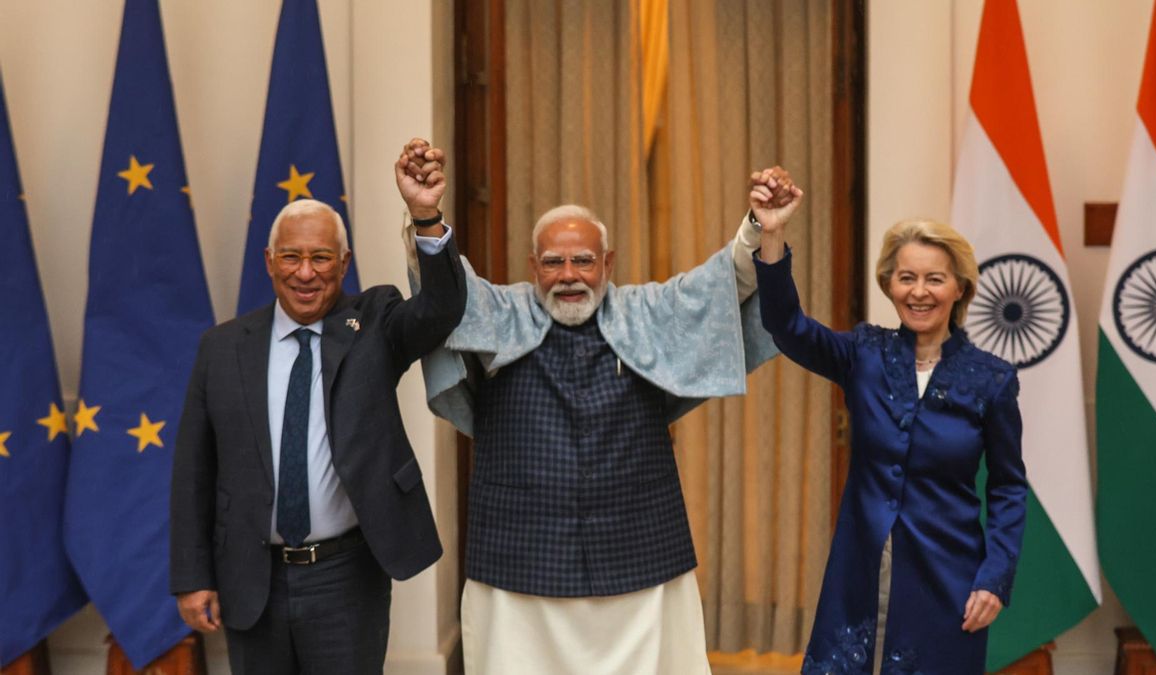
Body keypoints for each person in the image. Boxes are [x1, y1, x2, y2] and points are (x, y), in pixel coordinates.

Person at [410, 145, 799, 674]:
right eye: (553, 261)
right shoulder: (497, 312)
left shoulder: (648, 311)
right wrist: (426, 217)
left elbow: (725, 283)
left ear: (608, 264)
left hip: (640, 554)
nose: (568, 274)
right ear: (533, 266)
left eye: (583, 260)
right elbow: (444, 293)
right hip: (520, 556)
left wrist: (760, 226)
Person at [169, 139, 466, 674]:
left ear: (343, 262)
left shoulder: (375, 322)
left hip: (346, 575)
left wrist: (426, 217)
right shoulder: (222, 347)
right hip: (251, 575)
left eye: (321, 257)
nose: (306, 272)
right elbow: (194, 469)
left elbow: (441, 310)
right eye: (291, 256)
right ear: (270, 261)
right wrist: (192, 577)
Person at [754, 211, 1026, 674]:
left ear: (959, 288)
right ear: (889, 285)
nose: (919, 291)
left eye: (934, 279)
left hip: (948, 579)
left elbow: (1008, 488)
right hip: (858, 568)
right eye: (906, 278)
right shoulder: (864, 353)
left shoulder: (992, 380)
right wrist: (772, 234)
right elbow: (786, 326)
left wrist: (995, 577)